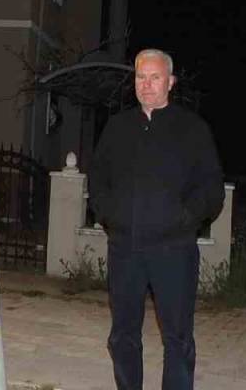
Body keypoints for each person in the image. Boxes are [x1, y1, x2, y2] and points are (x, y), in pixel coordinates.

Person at [88, 49, 226, 390]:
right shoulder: (118, 127)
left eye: (155, 77)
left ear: (170, 82)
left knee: (178, 339)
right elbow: (98, 180)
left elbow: (211, 188)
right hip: (125, 249)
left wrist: (183, 219)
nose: (146, 85)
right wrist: (110, 216)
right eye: (140, 77)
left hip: (174, 251)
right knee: (122, 336)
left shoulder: (192, 129)